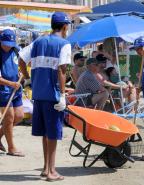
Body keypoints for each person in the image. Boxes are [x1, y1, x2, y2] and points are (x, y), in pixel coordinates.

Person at [19, 12, 71, 181]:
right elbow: (62, 70)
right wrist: (63, 95)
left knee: (45, 133)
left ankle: (45, 168)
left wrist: (27, 78)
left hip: (38, 95)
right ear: (64, 27)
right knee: (53, 133)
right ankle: (51, 172)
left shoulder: (37, 42)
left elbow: (20, 59)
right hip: (53, 95)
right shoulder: (64, 44)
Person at [0, 29, 24, 156]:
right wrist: (11, 84)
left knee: (19, 116)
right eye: (5, 44)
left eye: (10, 44)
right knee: (9, 118)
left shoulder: (16, 50)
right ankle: (11, 148)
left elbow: (20, 63)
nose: (7, 46)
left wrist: (20, 71)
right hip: (3, 90)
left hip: (16, 88)